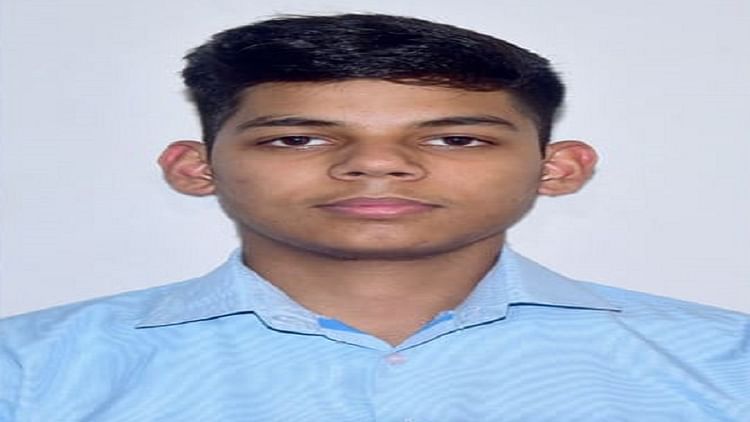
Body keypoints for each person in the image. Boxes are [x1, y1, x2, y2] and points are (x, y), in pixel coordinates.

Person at [0, 13, 747, 421]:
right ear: (197, 166)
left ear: (558, 167)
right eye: (299, 138)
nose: (377, 165)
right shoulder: (29, 372)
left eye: (456, 138)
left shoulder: (724, 364)